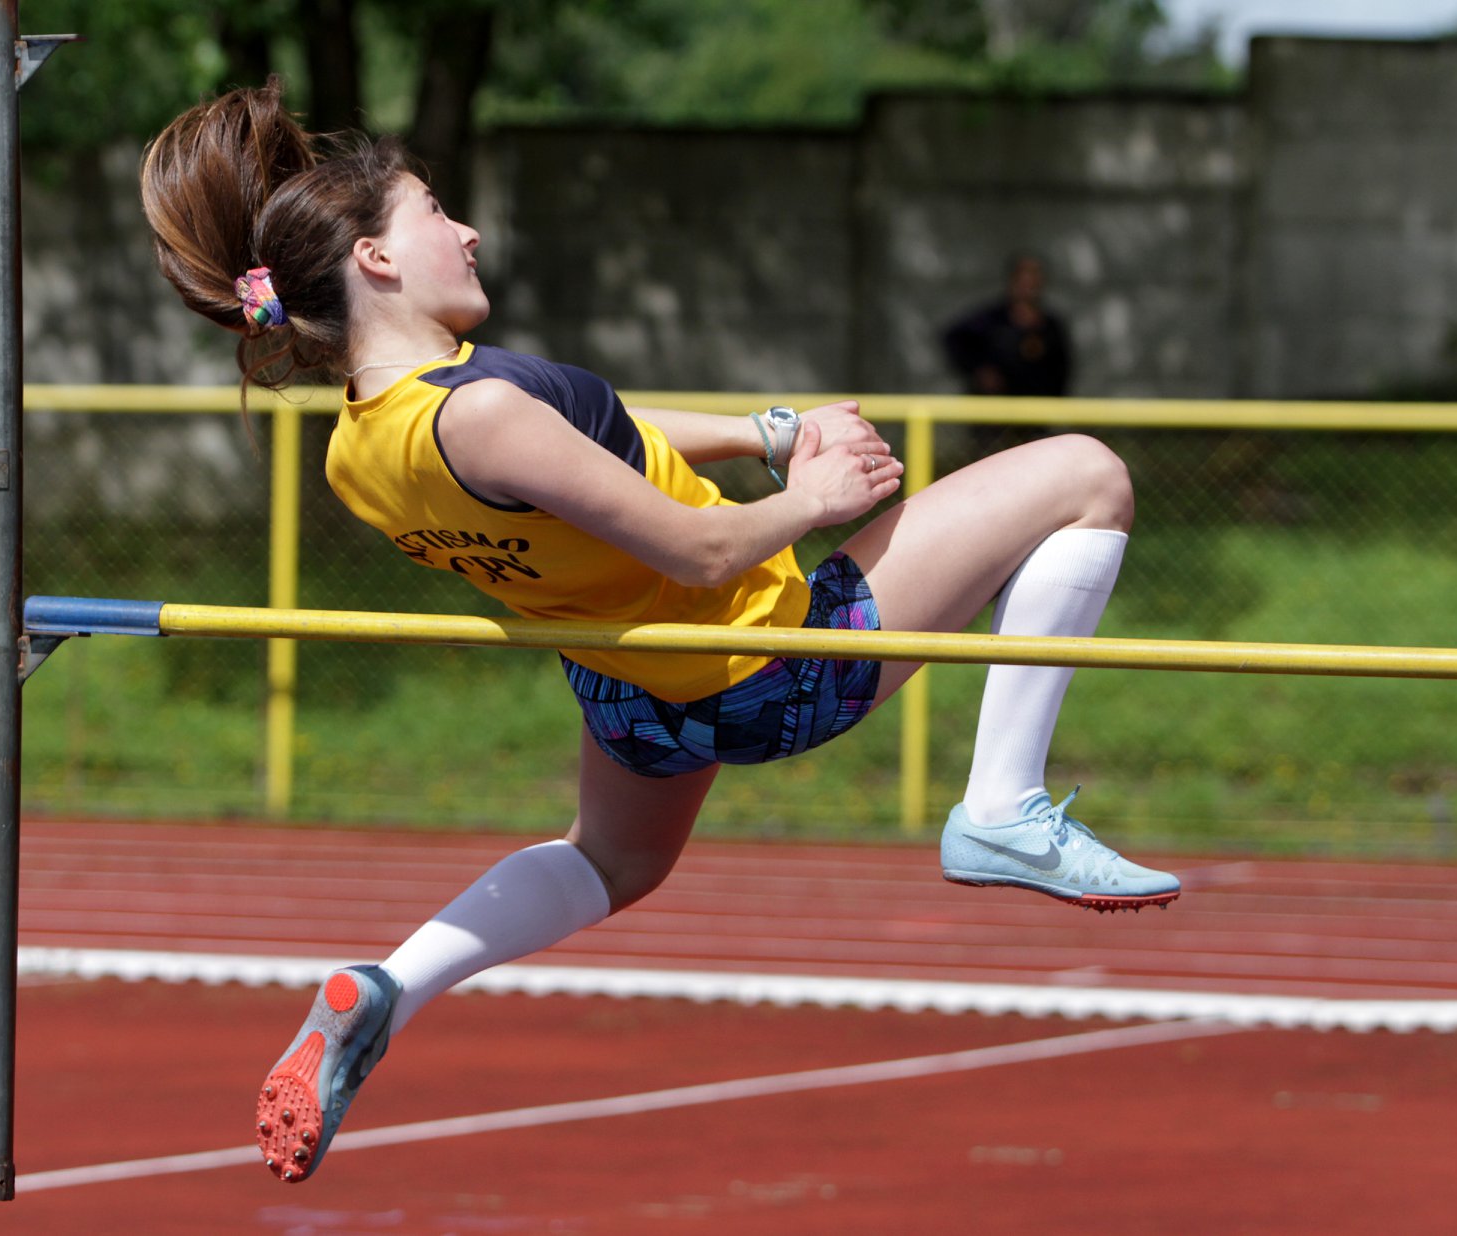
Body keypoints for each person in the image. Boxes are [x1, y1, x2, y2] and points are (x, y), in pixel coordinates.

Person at [139, 81, 1177, 1186]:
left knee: (612, 861)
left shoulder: (361, 449)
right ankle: (1003, 805)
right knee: (1087, 476)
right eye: (435, 211)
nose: (468, 230)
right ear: (377, 259)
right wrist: (813, 498)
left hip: (631, 692)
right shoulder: (480, 411)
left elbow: (591, 441)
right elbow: (702, 552)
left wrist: (761, 432)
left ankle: (393, 985)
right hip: (769, 662)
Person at [942, 253, 1073, 397]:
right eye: (1023, 279)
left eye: (1033, 280)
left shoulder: (1051, 327)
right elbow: (954, 339)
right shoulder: (990, 320)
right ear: (1012, 281)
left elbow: (1062, 370)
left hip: (1036, 404)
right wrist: (978, 369)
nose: (1028, 286)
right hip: (994, 404)